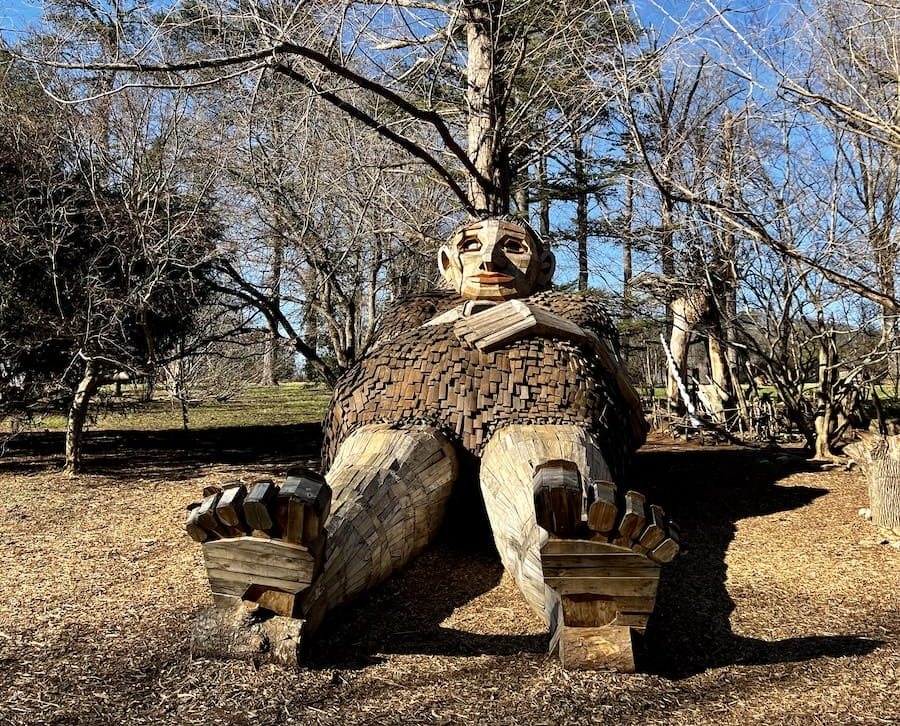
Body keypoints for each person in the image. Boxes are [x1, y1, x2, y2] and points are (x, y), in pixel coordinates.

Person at [192, 217, 669, 667]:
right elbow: (362, 380)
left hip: (542, 411)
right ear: (447, 263)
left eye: (514, 248)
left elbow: (627, 409)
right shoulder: (411, 314)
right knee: (376, 471)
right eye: (471, 247)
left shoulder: (573, 310)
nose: (491, 261)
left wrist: (549, 323)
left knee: (546, 474)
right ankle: (296, 566)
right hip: (401, 419)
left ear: (543, 267)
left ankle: (584, 585)